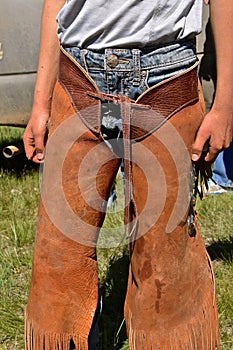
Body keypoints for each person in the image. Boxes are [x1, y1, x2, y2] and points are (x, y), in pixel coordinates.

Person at [23, 0, 233, 349]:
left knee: (166, 271)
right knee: (57, 265)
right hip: (78, 75)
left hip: (167, 81)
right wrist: (40, 103)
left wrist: (225, 102)